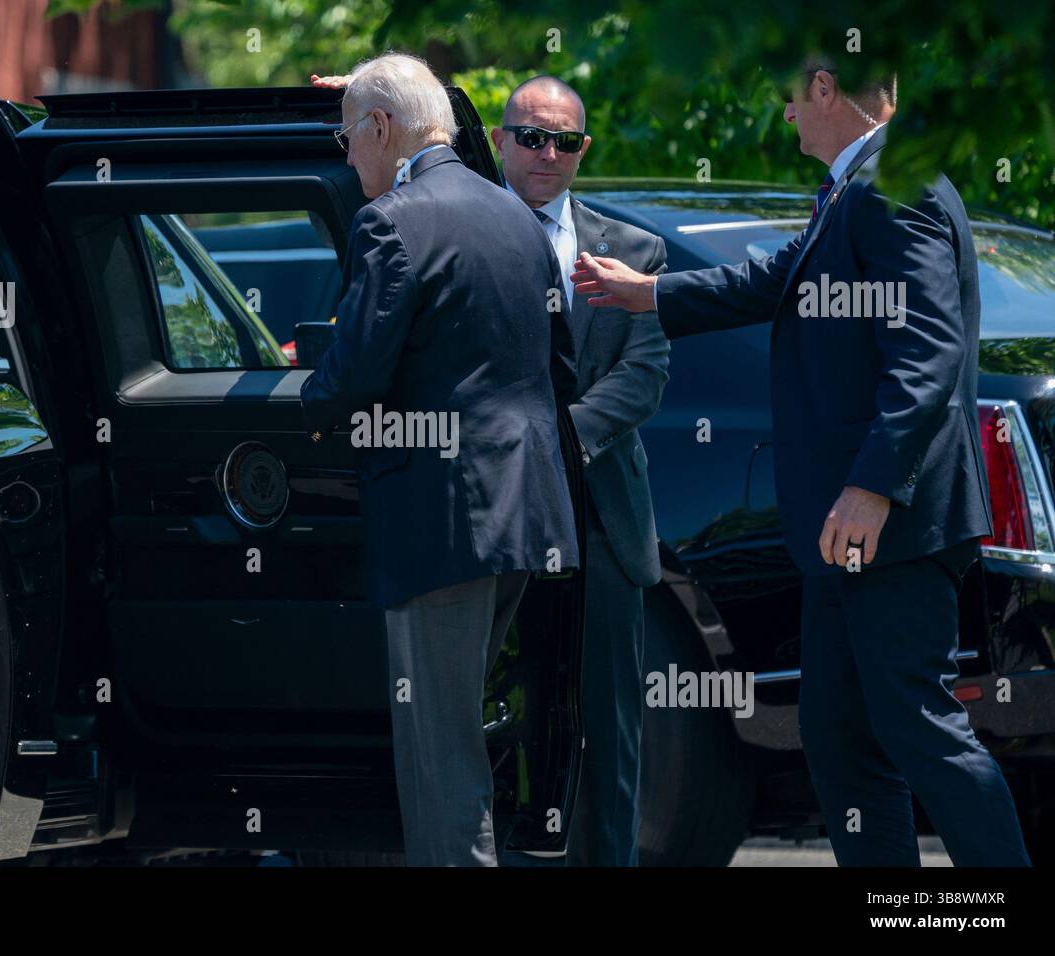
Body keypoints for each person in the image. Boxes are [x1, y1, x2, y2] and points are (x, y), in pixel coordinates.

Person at [571, 57, 1031, 866]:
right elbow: (778, 279)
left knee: (920, 731)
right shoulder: (859, 187)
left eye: (790, 97)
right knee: (841, 738)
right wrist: (650, 294)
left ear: (825, 88)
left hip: (890, 527)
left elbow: (926, 355)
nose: (785, 116)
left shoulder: (898, 186)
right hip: (842, 536)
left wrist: (870, 487)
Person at [301, 53, 579, 866]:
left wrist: (305, 396)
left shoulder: (392, 220)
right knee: (457, 729)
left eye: (349, 138)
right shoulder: (516, 216)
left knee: (440, 753)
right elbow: (549, 366)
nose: (348, 159)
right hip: (523, 513)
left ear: (382, 129)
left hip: (441, 522)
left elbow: (355, 376)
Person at [493, 75, 669, 866]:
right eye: (531, 136)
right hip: (501, 516)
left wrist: (561, 440)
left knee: (612, 724)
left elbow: (645, 373)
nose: (547, 154)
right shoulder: (465, 235)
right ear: (500, 140)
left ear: (583, 149)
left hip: (603, 514)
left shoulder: (635, 252)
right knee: (512, 715)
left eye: (564, 141)